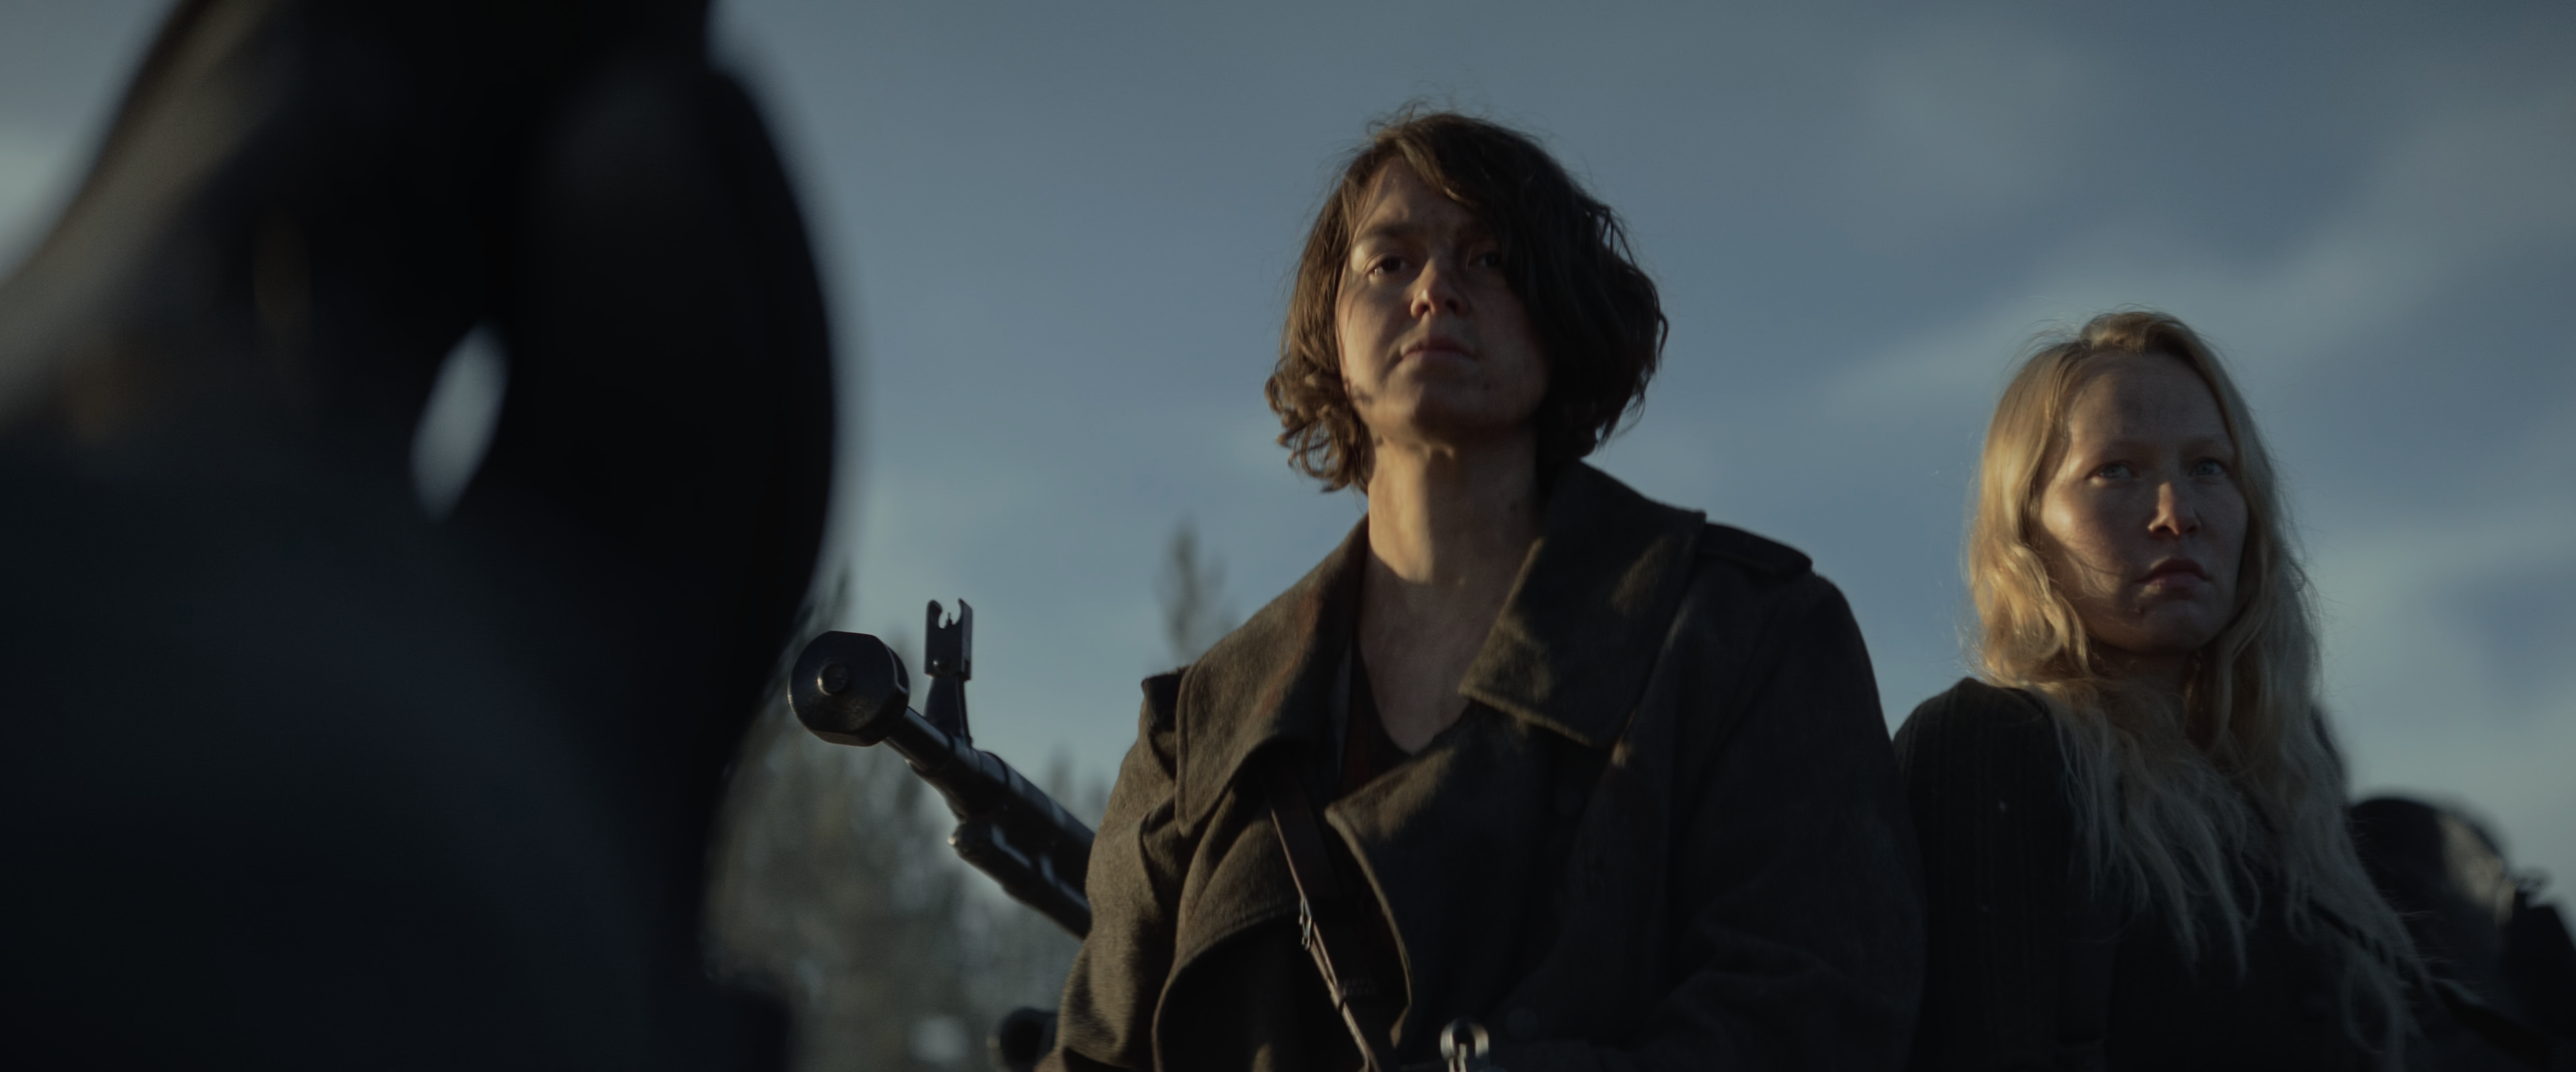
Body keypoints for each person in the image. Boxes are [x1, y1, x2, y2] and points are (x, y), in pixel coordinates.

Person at [1043, 110, 1923, 1072]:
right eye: (1388, 262)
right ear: (1332, 329)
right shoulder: (1198, 738)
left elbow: (1813, 1010)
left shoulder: (1744, 637)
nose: (1434, 290)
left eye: (1489, 259)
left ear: (1559, 312)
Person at [1895, 311, 2424, 1071]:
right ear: (2027, 527)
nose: (2178, 514)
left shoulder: (2280, 793)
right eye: (2116, 470)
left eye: (2208, 467)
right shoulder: (1993, 745)